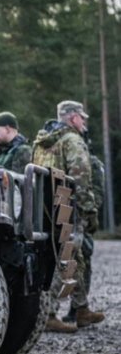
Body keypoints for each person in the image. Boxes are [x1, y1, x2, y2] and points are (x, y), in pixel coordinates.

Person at [31, 100, 106, 333]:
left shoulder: (42, 143)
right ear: (73, 118)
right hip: (68, 207)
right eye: (82, 117)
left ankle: (81, 309)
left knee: (74, 258)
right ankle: (49, 314)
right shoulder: (73, 141)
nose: (83, 122)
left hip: (45, 208)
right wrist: (89, 211)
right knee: (66, 258)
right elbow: (81, 179)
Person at [65, 127, 105, 326]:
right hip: (72, 214)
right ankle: (79, 307)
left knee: (84, 260)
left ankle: (77, 307)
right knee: (74, 259)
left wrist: (89, 214)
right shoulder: (71, 159)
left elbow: (96, 191)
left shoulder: (94, 164)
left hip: (84, 216)